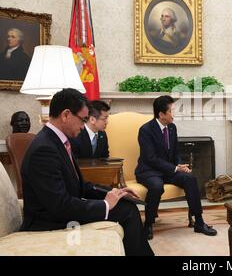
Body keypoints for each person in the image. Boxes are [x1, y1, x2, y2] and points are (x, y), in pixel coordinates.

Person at [20, 88, 153, 256]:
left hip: (58, 212)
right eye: (83, 120)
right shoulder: (44, 149)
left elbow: (80, 186)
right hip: (48, 221)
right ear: (66, 115)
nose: (84, 127)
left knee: (125, 204)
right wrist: (104, 205)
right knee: (127, 211)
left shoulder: (57, 142)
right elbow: (60, 205)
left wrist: (114, 192)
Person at [135, 95, 217, 240]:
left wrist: (179, 165)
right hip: (149, 171)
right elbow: (151, 159)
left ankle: (198, 221)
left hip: (168, 170)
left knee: (190, 179)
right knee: (156, 186)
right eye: (172, 111)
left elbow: (175, 152)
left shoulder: (172, 127)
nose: (175, 114)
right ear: (161, 114)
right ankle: (148, 224)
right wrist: (174, 169)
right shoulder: (146, 130)